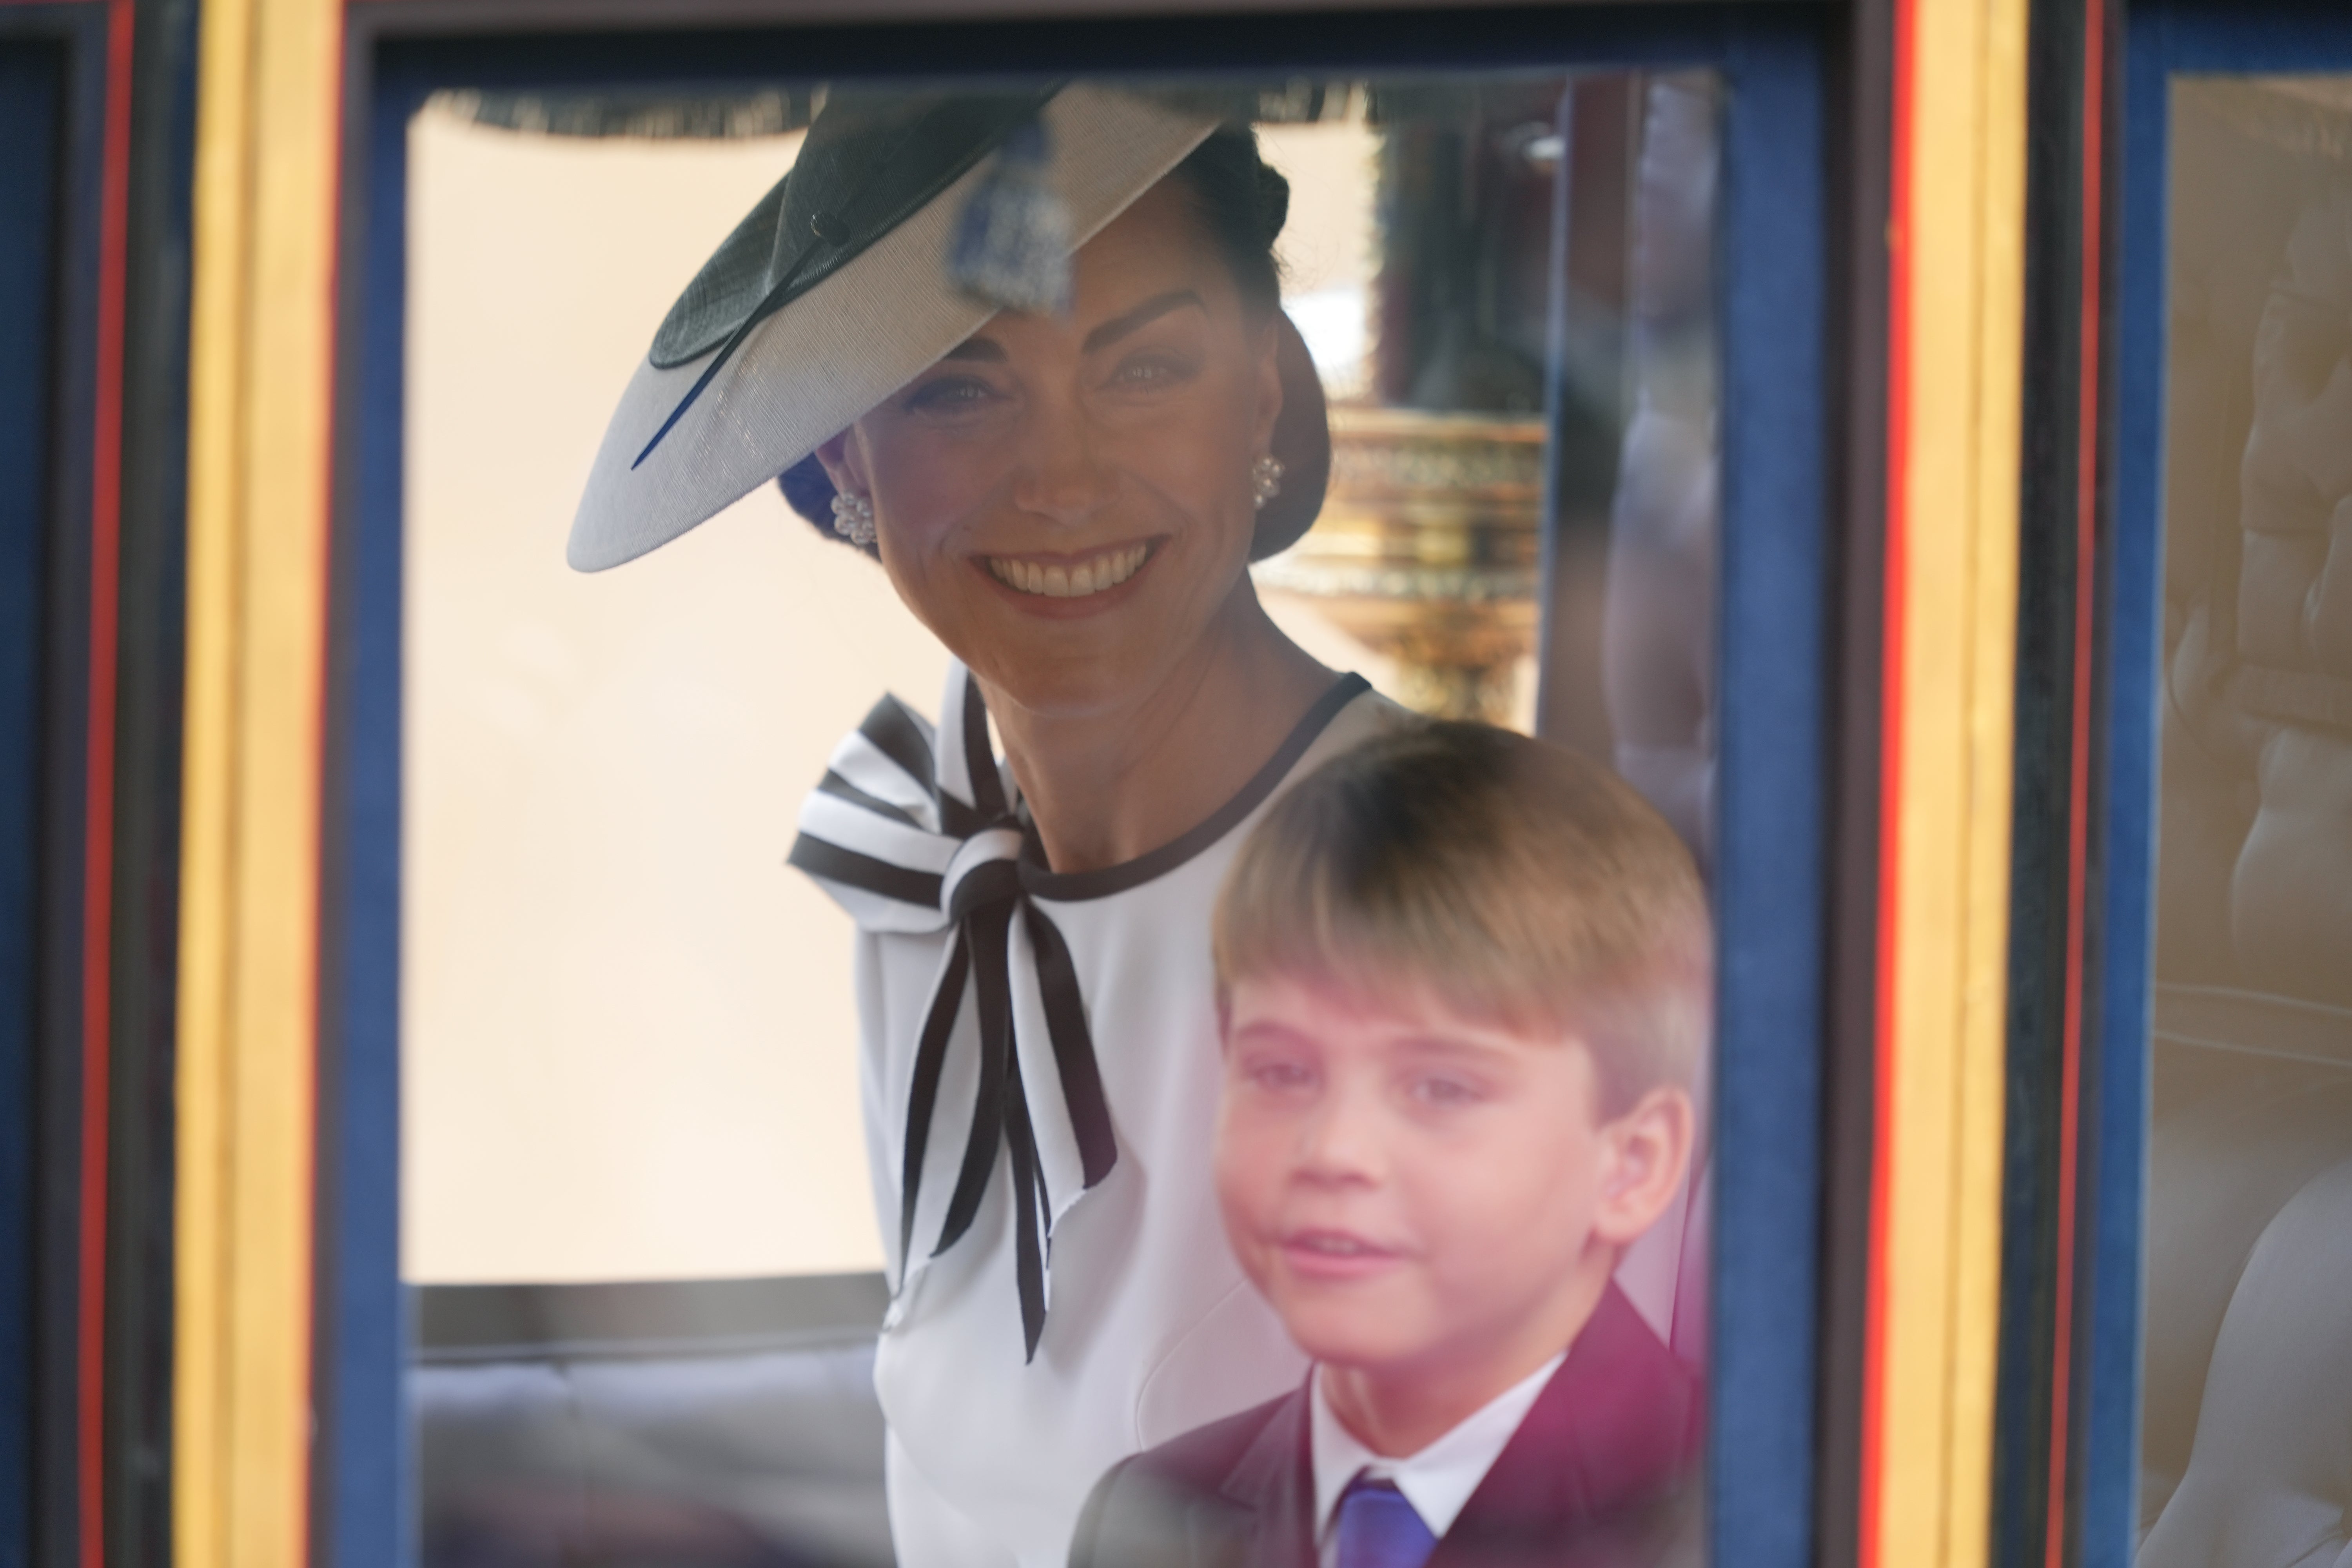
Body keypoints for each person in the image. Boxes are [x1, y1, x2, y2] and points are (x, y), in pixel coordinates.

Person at [568, 86, 1406, 1568]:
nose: (1063, 479)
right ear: (842, 453)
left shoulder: (1445, 894)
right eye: (960, 387)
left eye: (1144, 366)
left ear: (1264, 394)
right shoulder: (928, 878)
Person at [1070, 722, 1708, 1568]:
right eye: (1283, 1070)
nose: (1333, 1148)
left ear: (1633, 1162)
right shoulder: (1144, 1517)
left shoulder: (1767, 1516)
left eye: (1440, 1087)